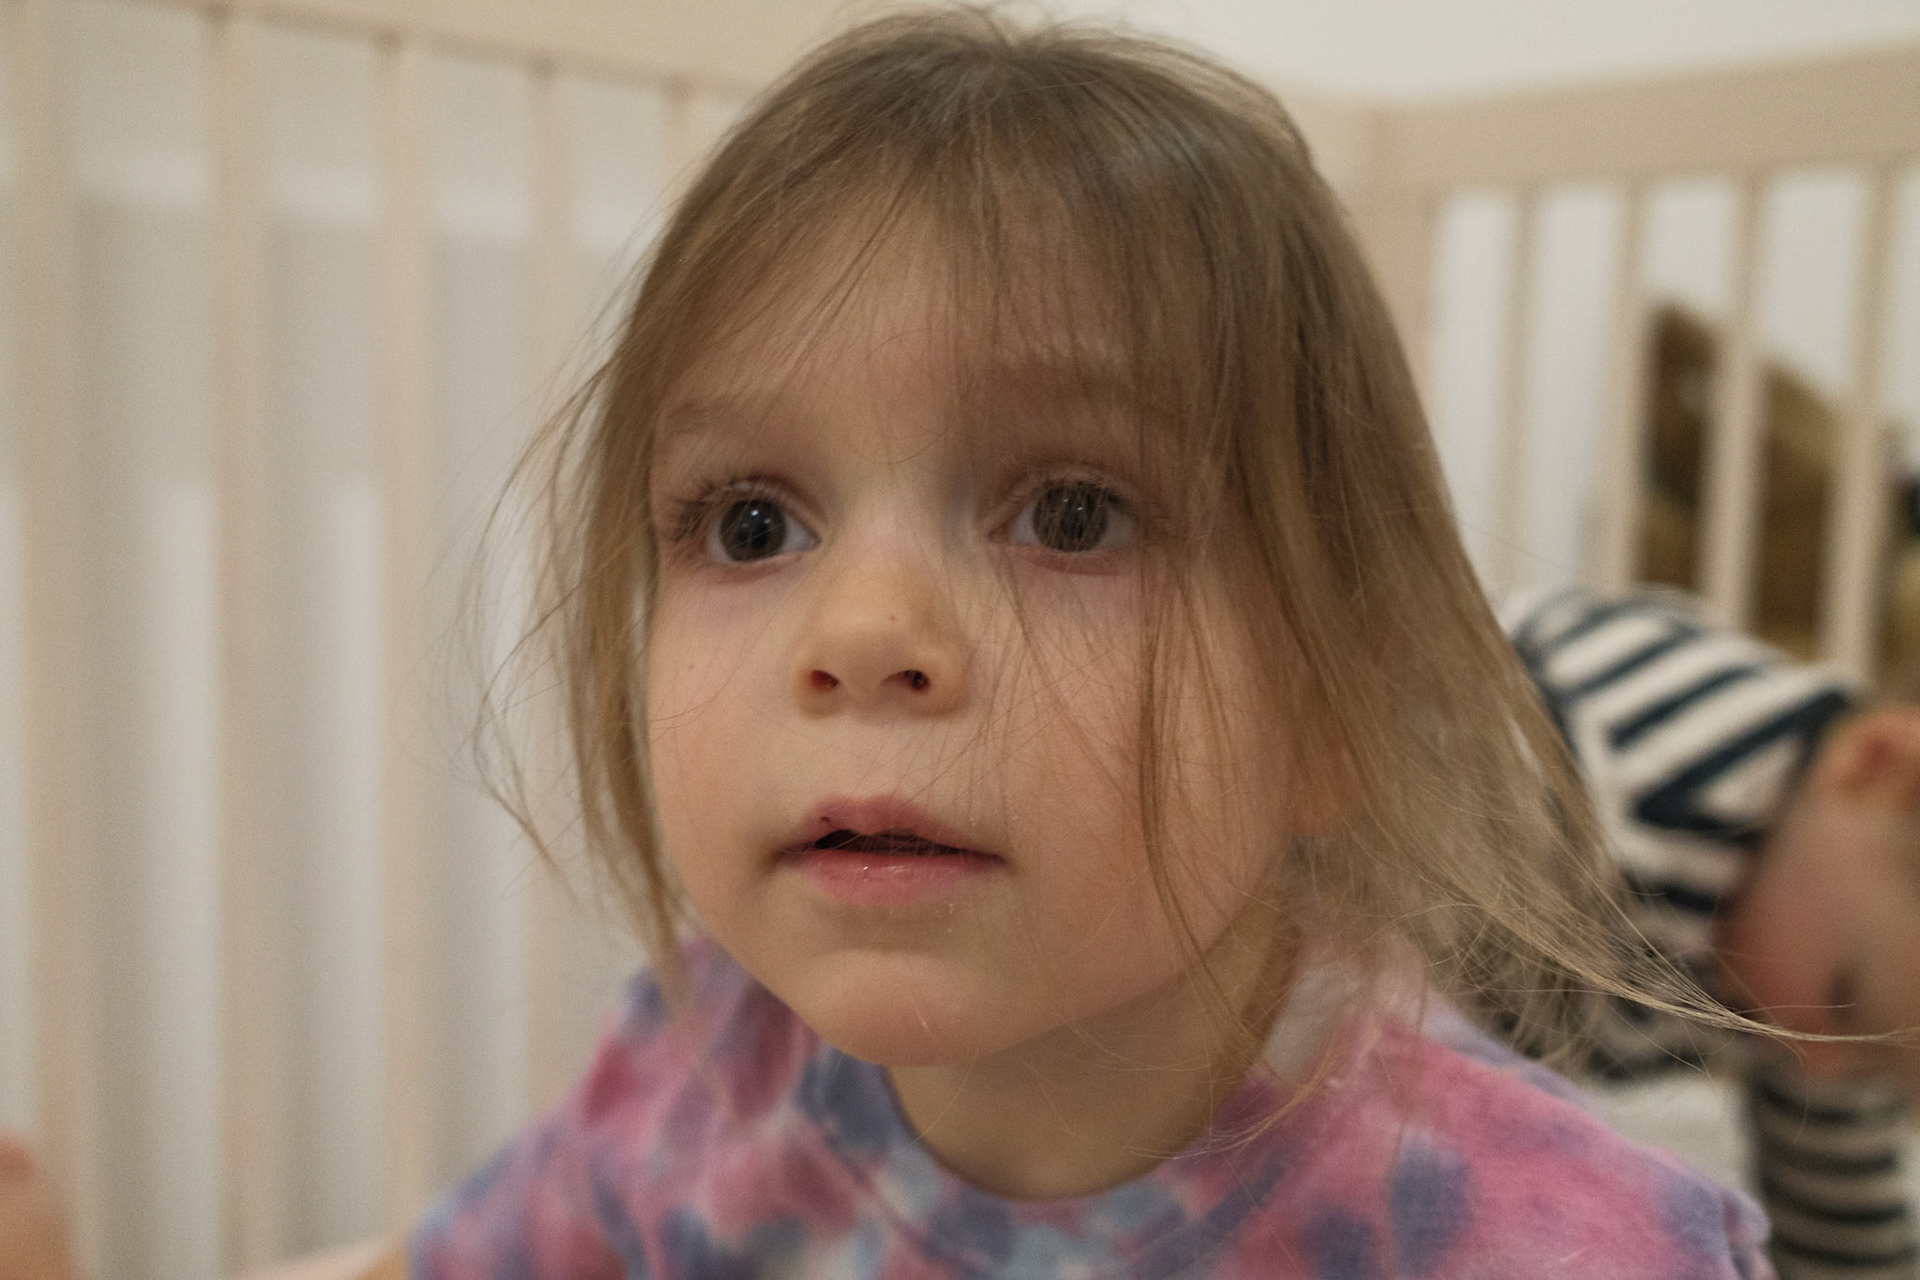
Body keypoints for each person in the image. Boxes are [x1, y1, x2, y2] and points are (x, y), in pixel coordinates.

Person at [366, 9, 1782, 1276]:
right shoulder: (700, 1070)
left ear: (1336, 703)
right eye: (751, 525)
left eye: (1073, 513)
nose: (860, 633)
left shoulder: (1548, 1241)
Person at [1507, 585, 1920, 1279]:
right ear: (1878, 766)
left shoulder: (1844, 1004)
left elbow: (1845, 1237)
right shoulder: (1574, 803)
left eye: (1882, 1071)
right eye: (1843, 995)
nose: (1826, 1070)